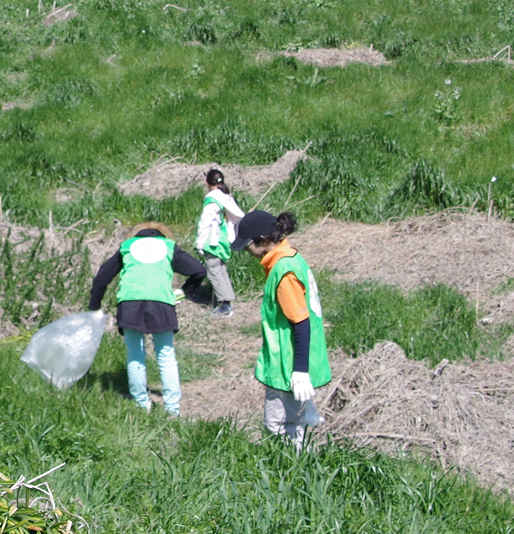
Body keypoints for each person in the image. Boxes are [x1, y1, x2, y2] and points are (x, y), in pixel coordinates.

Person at [87, 223, 206, 416]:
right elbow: (199, 270)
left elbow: (101, 278)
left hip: (130, 303)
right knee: (166, 356)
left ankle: (142, 404)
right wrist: (183, 292)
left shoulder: (127, 247)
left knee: (135, 354)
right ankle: (172, 409)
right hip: (161, 302)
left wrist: (94, 306)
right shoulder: (169, 247)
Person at [235, 210, 331, 449]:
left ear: (264, 241)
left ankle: (289, 475)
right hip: (291, 362)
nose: (247, 252)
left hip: (288, 366)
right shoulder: (289, 259)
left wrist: (300, 371)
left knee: (278, 426)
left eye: (248, 246)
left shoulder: (284, 272)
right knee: (296, 424)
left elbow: (300, 321)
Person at [186, 169, 244, 316]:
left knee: (214, 272)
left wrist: (199, 243)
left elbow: (205, 223)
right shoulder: (226, 197)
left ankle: (224, 306)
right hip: (223, 239)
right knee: (221, 270)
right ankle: (227, 301)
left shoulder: (211, 200)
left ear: (207, 183)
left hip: (212, 241)